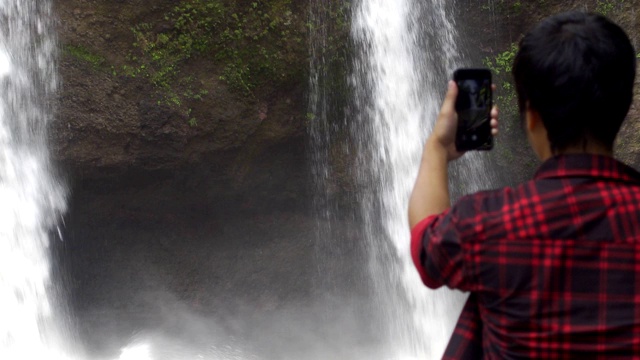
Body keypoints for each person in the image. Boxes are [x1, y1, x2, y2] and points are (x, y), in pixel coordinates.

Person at [408, 11, 640, 359]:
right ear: (624, 106)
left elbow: (425, 246)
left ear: (530, 117)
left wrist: (437, 148)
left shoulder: (487, 224)